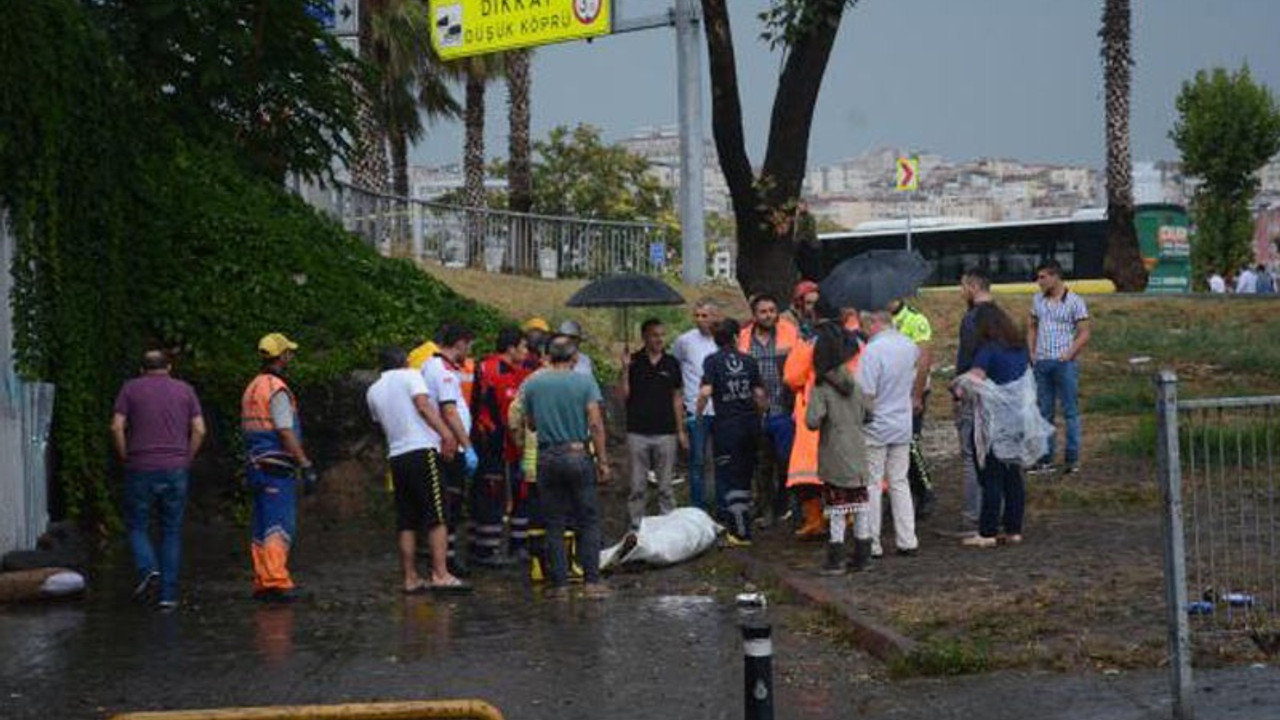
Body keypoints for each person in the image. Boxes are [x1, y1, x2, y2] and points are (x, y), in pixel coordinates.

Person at [366, 347, 470, 593]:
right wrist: (446, 434)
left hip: (397, 455)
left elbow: (379, 424)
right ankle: (440, 574)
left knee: (407, 520)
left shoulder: (373, 390)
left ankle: (410, 578)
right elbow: (423, 406)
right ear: (403, 361)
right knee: (438, 514)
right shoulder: (411, 375)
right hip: (422, 451)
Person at [111, 350, 206, 610]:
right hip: (176, 468)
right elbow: (199, 429)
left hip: (140, 467)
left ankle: (148, 569)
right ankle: (168, 597)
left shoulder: (130, 389)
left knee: (138, 525)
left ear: (142, 369)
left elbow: (117, 426)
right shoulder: (185, 390)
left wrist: (125, 456)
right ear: (170, 367)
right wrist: (187, 457)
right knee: (172, 530)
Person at [521, 335, 613, 599]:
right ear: (574, 358)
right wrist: (603, 461)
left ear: (548, 357)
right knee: (588, 520)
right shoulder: (584, 382)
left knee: (554, 522)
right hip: (576, 453)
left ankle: (560, 586)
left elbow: (531, 424)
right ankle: (591, 583)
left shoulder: (534, 383)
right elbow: (595, 423)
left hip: (547, 457)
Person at [241, 333, 317, 603]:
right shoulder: (277, 389)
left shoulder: (252, 387)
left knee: (261, 523)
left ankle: (263, 579)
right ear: (282, 356)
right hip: (276, 466)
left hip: (254, 465)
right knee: (278, 523)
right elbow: (285, 431)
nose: (291, 357)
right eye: (289, 353)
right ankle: (276, 580)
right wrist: (305, 463)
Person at [952, 306, 1033, 548]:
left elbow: (972, 381)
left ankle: (987, 532)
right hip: (1018, 419)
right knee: (1013, 476)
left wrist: (956, 387)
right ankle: (1014, 530)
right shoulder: (1019, 348)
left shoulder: (988, 351)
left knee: (991, 476)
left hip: (993, 422)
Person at [805, 322, 874, 574]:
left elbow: (812, 421)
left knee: (836, 511)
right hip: (858, 452)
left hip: (835, 455)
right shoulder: (854, 382)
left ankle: (836, 560)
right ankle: (863, 557)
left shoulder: (822, 388)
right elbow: (870, 414)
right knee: (860, 509)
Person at [856, 309, 920, 557]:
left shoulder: (873, 351)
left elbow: (867, 392)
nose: (863, 330)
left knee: (872, 483)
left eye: (864, 324)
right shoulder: (909, 346)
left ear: (873, 322)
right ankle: (907, 539)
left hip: (876, 424)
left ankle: (872, 541)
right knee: (899, 481)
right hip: (901, 422)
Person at [699, 319, 766, 544]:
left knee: (730, 478)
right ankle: (744, 524)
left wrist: (698, 415)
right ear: (737, 337)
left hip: (727, 427)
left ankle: (739, 532)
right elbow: (758, 395)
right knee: (746, 476)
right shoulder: (749, 360)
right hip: (750, 425)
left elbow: (706, 391)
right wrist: (759, 415)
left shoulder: (712, 361)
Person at [421, 325, 480, 573]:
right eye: (468, 345)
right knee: (450, 505)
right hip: (449, 447)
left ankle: (445, 557)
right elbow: (449, 410)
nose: (468, 351)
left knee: (449, 505)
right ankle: (446, 561)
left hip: (443, 444)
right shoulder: (442, 371)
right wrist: (467, 446)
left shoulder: (431, 366)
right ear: (459, 343)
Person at [737, 294, 800, 526]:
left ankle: (785, 504)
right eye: (763, 312)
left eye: (772, 310)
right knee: (762, 464)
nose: (769, 315)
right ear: (754, 315)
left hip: (784, 409)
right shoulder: (744, 338)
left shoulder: (789, 332)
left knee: (785, 460)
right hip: (756, 412)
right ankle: (767, 510)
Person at [620, 318, 688, 530]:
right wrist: (624, 370)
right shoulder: (633, 361)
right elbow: (624, 395)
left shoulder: (671, 363)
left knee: (666, 485)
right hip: (637, 431)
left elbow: (677, 398)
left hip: (665, 431)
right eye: (654, 335)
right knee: (637, 485)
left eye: (661, 335)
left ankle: (669, 526)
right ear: (645, 337)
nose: (659, 339)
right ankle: (635, 527)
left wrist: (680, 430)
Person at [474, 327, 532, 562]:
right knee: (493, 495)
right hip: (496, 444)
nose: (527, 353)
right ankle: (487, 549)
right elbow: (509, 414)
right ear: (511, 348)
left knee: (518, 493)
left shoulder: (514, 370)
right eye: (523, 347)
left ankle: (514, 546)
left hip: (503, 445)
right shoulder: (495, 370)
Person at [1028, 259, 1091, 474]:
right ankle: (1046, 458)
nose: (1039, 282)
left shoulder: (1075, 301)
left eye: (1043, 277)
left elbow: (1084, 332)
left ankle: (1072, 458)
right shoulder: (1037, 300)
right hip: (1042, 362)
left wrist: (1070, 353)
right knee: (1044, 411)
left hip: (1064, 363)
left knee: (1070, 411)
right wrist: (1032, 352)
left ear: (1055, 276)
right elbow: (1032, 327)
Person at [954, 268, 998, 537]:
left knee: (971, 455)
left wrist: (958, 391)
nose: (961, 292)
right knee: (995, 454)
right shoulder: (1000, 316)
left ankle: (972, 517)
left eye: (962, 287)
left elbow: (967, 359)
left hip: (973, 392)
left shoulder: (971, 319)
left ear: (972, 286)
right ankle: (995, 513)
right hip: (998, 393)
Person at [890, 297, 936, 520]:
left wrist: (917, 395)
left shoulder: (915, 320)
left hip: (912, 392)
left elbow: (924, 360)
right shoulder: (881, 321)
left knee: (911, 443)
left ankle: (925, 490)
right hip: (891, 394)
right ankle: (901, 493)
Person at [672, 298, 720, 512]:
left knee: (719, 459)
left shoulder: (722, 341)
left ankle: (719, 503)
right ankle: (697, 507)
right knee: (697, 460)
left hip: (720, 409)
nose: (700, 320)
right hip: (695, 409)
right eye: (697, 315)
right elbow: (677, 367)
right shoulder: (684, 341)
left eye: (705, 316)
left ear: (715, 317)